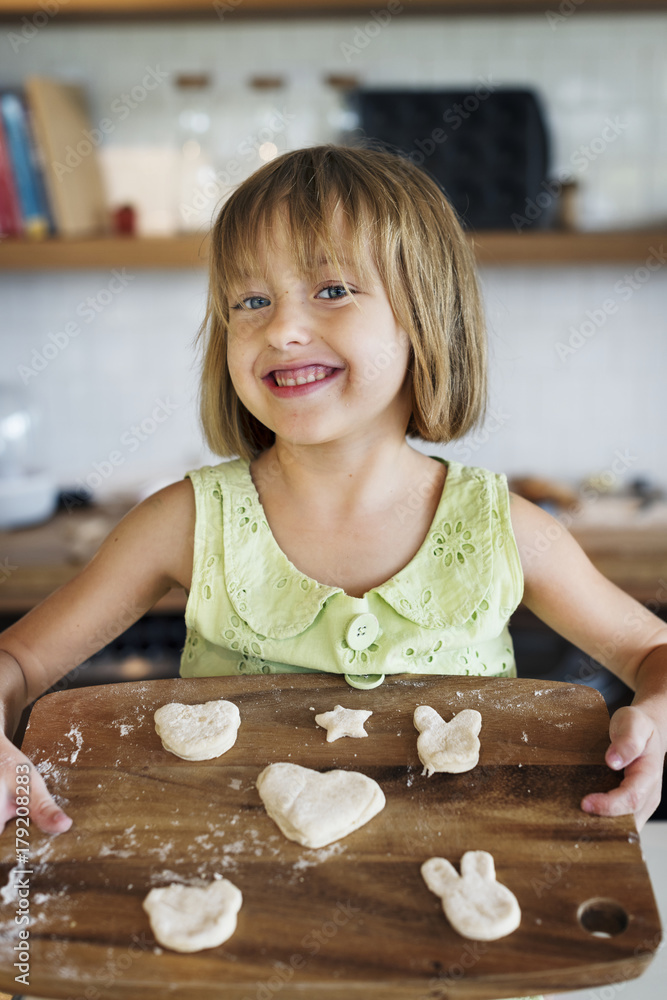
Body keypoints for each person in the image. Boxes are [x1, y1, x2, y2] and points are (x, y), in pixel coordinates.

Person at [0, 147, 664, 999]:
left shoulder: (502, 530)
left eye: (332, 290)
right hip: (233, 954)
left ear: (424, 316)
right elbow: (18, 662)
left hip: (454, 954)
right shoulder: (184, 522)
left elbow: (652, 653)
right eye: (249, 300)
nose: (280, 328)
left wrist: (654, 711)